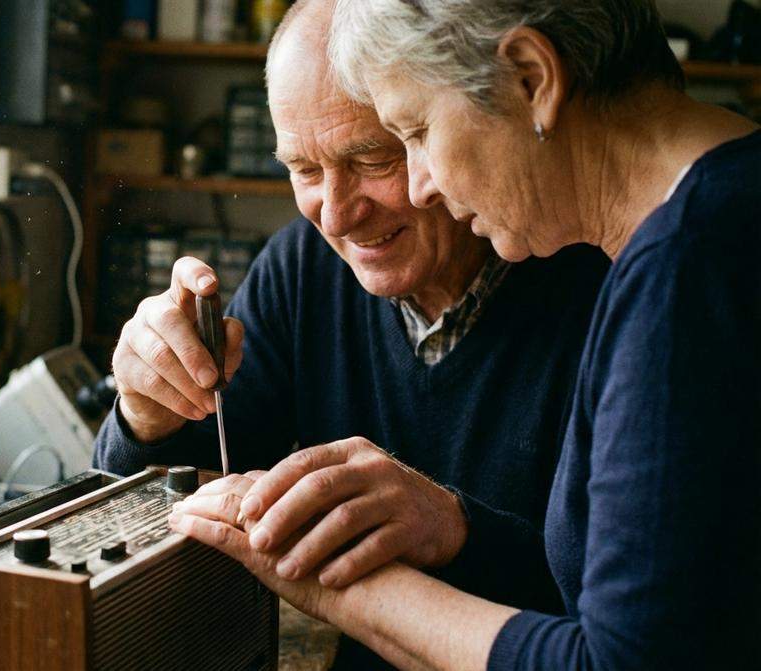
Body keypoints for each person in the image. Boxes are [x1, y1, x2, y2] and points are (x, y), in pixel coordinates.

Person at [171, 0, 761, 669]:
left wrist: (336, 581)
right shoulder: (715, 218)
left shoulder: (690, 264)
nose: (423, 184)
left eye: (412, 134)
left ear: (532, 78)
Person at [97, 0, 607, 666]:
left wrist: (455, 527)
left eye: (372, 160)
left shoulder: (594, 279)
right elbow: (156, 504)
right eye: (304, 171)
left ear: (436, 133)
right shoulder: (301, 267)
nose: (335, 214)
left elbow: (623, 627)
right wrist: (143, 414)